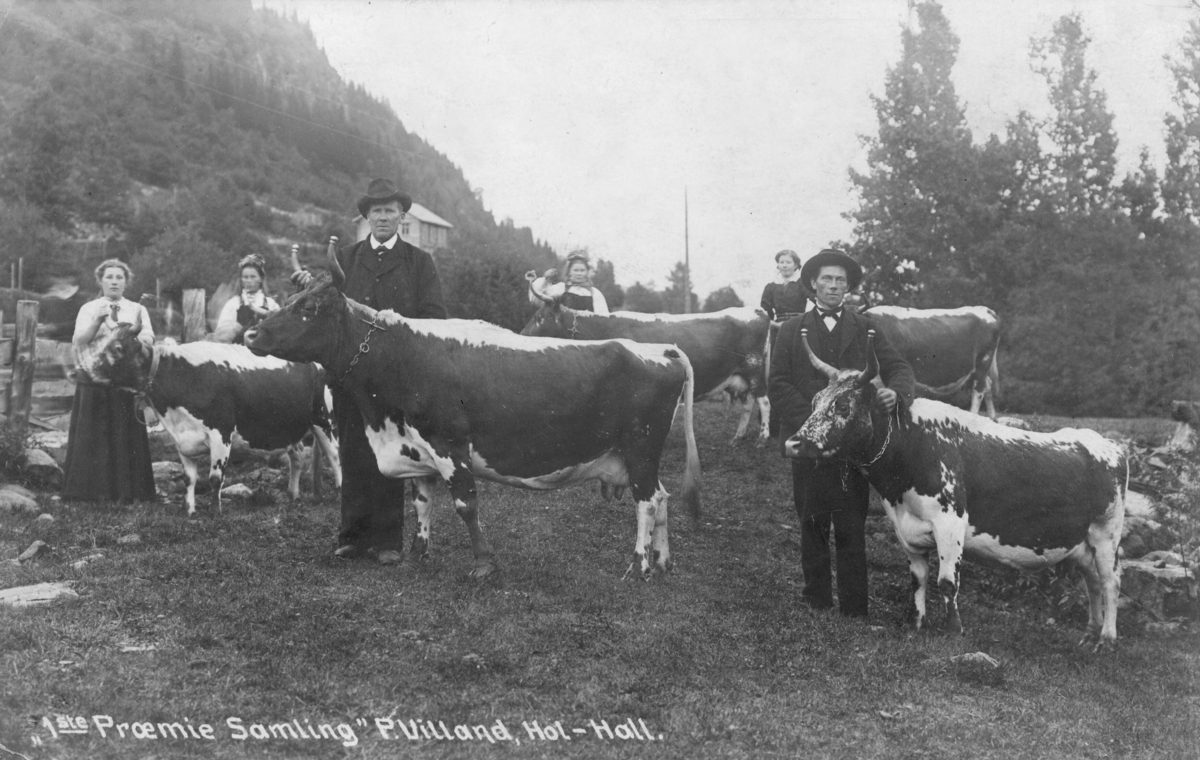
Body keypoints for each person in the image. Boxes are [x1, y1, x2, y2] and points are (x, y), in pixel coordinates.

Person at [293, 178, 448, 565]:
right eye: (376, 211)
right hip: (349, 376)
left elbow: (434, 319)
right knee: (353, 448)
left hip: (395, 378)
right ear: (366, 217)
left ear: (401, 215)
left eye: (390, 210)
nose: (383, 217)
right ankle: (353, 537)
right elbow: (327, 311)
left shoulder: (419, 262)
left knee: (391, 454)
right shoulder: (345, 258)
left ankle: (387, 540)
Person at [768, 249, 914, 617]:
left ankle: (854, 607)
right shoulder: (789, 329)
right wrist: (817, 419)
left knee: (851, 522)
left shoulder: (866, 327)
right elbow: (778, 383)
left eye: (840, 281)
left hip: (852, 445)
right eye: (827, 279)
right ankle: (816, 599)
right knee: (812, 520)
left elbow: (898, 367)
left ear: (849, 288)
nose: (834, 286)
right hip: (808, 441)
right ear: (813, 283)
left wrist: (895, 391)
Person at [62, 259, 156, 503]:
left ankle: (129, 492)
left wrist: (130, 336)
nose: (114, 281)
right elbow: (79, 341)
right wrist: (97, 321)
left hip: (124, 380)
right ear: (101, 281)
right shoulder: (89, 308)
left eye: (119, 277)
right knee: (93, 433)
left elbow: (148, 339)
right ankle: (88, 493)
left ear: (126, 282)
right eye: (109, 277)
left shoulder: (137, 309)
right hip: (94, 379)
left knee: (124, 434)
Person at [214, 254, 280, 344]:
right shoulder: (233, 303)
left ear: (261, 278)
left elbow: (279, 330)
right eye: (245, 277)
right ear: (241, 280)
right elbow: (221, 336)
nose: (249, 281)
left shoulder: (270, 303)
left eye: (253, 277)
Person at [527, 250, 610, 315]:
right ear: (569, 271)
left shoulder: (595, 293)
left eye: (582, 270)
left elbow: (603, 319)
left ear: (587, 272)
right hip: (563, 335)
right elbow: (536, 301)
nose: (579, 273)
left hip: (587, 336)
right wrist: (545, 280)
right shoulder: (561, 288)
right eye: (576, 270)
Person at [759, 249, 810, 322]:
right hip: (779, 325)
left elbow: (816, 299)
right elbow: (766, 310)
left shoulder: (802, 283)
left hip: (799, 323)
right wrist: (772, 324)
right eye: (781, 262)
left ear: (795, 265)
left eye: (788, 262)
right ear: (778, 265)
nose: (785, 265)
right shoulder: (771, 286)